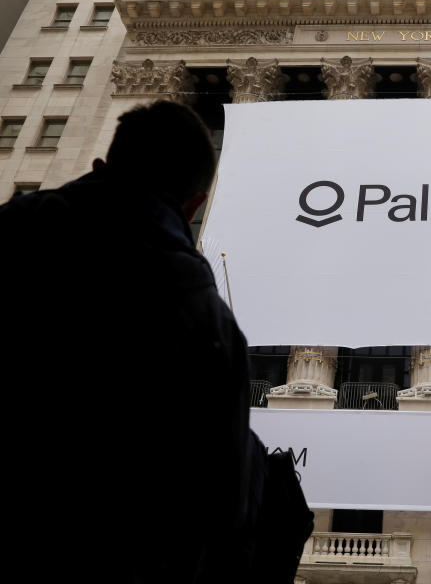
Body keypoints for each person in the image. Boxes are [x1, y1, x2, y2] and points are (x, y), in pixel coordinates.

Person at [0, 101, 264, 581]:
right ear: (195, 205)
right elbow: (225, 508)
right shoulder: (211, 325)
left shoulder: (8, 235)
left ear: (101, 166)